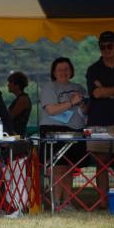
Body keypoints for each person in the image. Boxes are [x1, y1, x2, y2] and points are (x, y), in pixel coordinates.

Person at [40, 57, 88, 211]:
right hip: (54, 130)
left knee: (69, 167)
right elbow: (51, 110)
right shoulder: (49, 87)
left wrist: (81, 104)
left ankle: (67, 202)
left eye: (66, 69)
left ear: (71, 71)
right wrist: (71, 103)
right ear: (54, 72)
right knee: (57, 167)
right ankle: (56, 203)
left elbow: (87, 111)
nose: (63, 72)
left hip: (75, 131)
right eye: (60, 69)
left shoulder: (79, 87)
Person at [86, 31, 114, 209]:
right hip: (98, 122)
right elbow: (96, 93)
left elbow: (101, 92)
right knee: (101, 164)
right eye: (102, 47)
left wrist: (105, 89)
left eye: (110, 46)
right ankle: (103, 202)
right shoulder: (93, 69)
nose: (106, 49)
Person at [7, 71, 32, 138]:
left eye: (10, 82)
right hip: (16, 135)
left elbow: (10, 116)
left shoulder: (23, 99)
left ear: (17, 85)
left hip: (18, 136)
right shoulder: (20, 98)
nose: (8, 85)